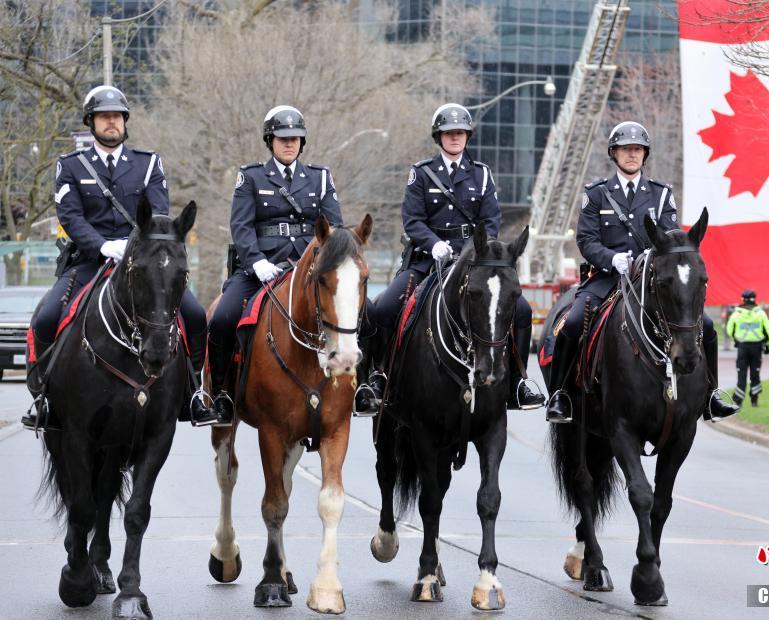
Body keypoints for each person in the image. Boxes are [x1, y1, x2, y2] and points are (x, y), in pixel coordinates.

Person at [23, 85, 214, 430]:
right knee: (47, 318)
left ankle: (195, 392)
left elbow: (157, 213)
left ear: (125, 122)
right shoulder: (71, 165)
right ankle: (44, 399)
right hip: (89, 261)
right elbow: (70, 216)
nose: (111, 122)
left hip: (140, 262)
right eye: (104, 117)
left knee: (195, 316)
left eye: (117, 117)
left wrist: (132, 246)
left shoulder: (147, 164)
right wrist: (100, 245)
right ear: (91, 122)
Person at [353, 103, 545, 415]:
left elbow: (491, 221)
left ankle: (516, 384)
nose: (455, 137)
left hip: (473, 261)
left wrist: (474, 249)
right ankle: (377, 378)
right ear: (439, 136)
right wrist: (434, 244)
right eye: (449, 133)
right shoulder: (422, 173)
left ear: (467, 137)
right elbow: (412, 219)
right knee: (384, 309)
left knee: (520, 311)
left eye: (460, 133)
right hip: (429, 260)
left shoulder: (481, 175)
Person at [545, 121, 741, 423]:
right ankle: (561, 396)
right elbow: (586, 240)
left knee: (707, 325)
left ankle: (711, 395)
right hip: (608, 276)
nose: (632, 155)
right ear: (614, 153)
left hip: (650, 279)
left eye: (637, 150)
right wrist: (612, 259)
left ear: (645, 154)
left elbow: (671, 236)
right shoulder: (596, 194)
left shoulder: (661, 194)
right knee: (571, 323)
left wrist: (651, 258)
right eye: (626, 150)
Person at [204, 105, 343, 426]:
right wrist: (256, 263)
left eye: (295, 138)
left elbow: (333, 228)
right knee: (222, 319)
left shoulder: (319, 179)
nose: (289, 143)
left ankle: (349, 386)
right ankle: (221, 395)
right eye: (282, 138)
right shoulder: (251, 177)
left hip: (308, 270)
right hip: (262, 268)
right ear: (270, 140)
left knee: (350, 313)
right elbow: (240, 226)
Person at [726, 290, 769, 407]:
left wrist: (736, 340)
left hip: (742, 347)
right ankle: (754, 400)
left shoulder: (737, 314)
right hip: (757, 347)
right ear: (754, 299)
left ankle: (738, 401)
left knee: (741, 374)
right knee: (755, 374)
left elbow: (729, 329)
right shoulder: (761, 313)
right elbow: (768, 331)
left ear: (742, 299)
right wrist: (768, 345)